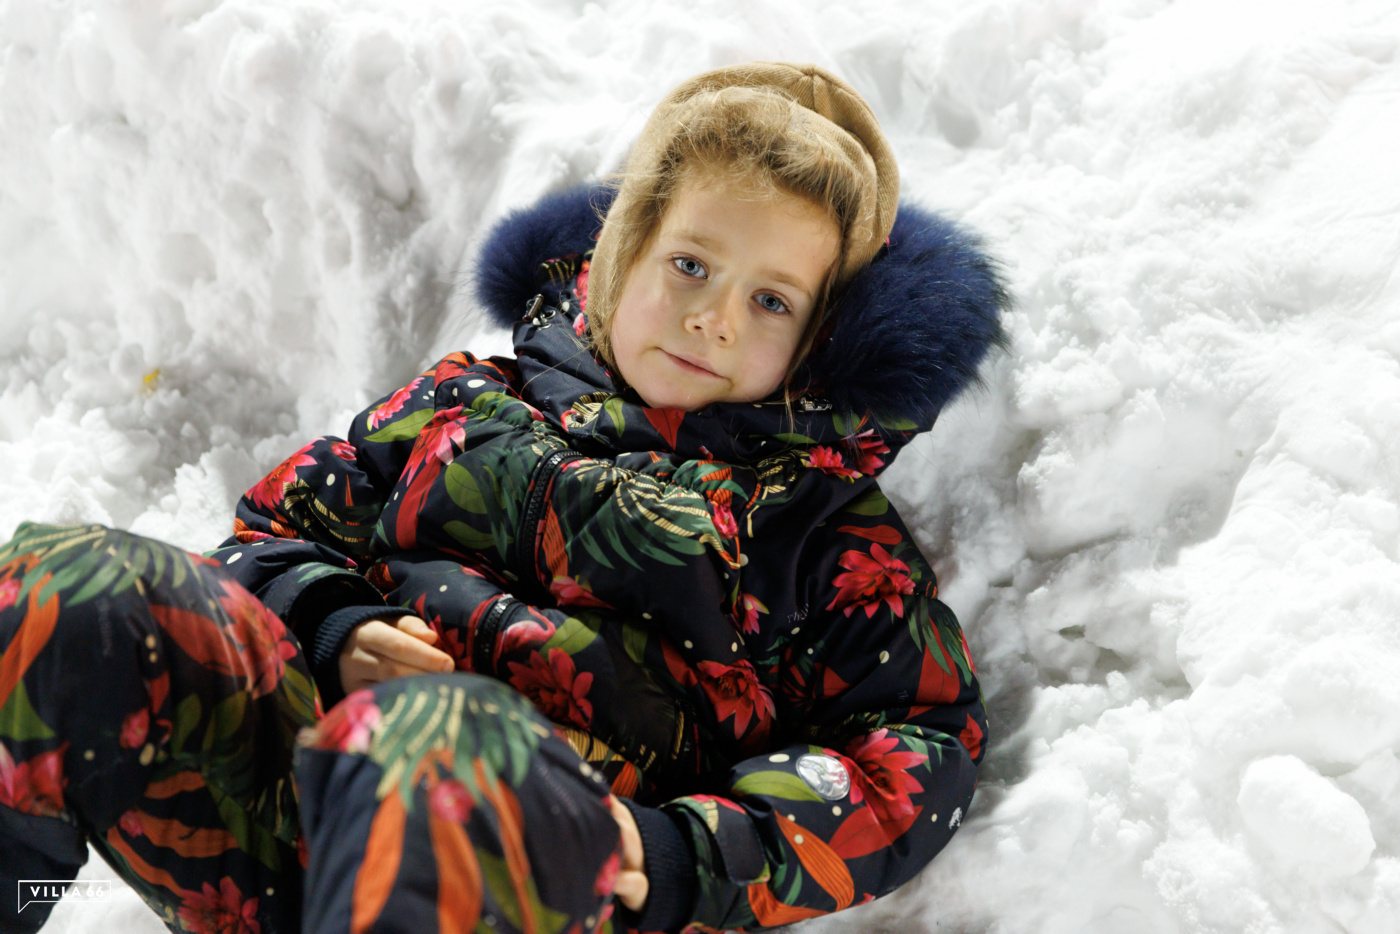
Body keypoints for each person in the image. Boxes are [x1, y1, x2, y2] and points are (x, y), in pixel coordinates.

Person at [0, 62, 1007, 934]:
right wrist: (334, 623)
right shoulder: (462, 406)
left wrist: (676, 851)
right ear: (622, 254)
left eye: (770, 299)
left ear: (819, 338)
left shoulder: (817, 533)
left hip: (525, 878)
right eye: (691, 265)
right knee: (69, 591)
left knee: (443, 734)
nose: (713, 318)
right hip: (296, 820)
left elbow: (915, 753)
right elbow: (274, 533)